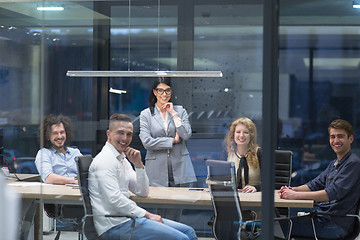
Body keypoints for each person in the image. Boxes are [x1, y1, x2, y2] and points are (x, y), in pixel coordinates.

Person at [89, 113, 197, 240]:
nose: (125, 138)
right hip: (115, 225)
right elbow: (115, 200)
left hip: (129, 219)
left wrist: (138, 165)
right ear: (109, 134)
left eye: (129, 134)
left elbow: (143, 191)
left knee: (188, 231)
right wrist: (148, 215)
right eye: (120, 133)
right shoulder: (105, 160)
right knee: (182, 238)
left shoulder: (121, 158)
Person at [278, 119, 360, 239]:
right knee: (278, 224)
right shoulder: (334, 164)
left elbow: (331, 194)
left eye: (340, 136)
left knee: (277, 227)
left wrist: (294, 196)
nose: (336, 141)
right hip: (324, 218)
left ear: (350, 139)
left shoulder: (353, 163)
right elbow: (314, 184)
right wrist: (293, 189)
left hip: (335, 225)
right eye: (332, 137)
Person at [139, 77, 196, 187]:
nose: (164, 94)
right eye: (160, 90)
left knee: (181, 201)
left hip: (180, 167)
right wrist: (172, 141)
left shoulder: (180, 111)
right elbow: (147, 142)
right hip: (156, 169)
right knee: (158, 202)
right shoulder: (146, 114)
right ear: (155, 92)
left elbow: (186, 135)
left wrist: (174, 113)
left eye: (167, 90)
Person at [35, 114, 82, 184]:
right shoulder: (44, 154)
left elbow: (87, 173)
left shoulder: (75, 152)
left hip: (79, 192)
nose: (59, 136)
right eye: (55, 133)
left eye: (62, 132)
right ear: (47, 136)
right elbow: (48, 178)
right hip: (57, 193)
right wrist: (73, 181)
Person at [225, 117, 261, 193]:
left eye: (246, 132)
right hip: (234, 198)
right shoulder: (228, 153)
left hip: (255, 199)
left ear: (251, 135)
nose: (241, 135)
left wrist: (256, 188)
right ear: (233, 135)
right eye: (238, 132)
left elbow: (270, 181)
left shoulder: (260, 153)